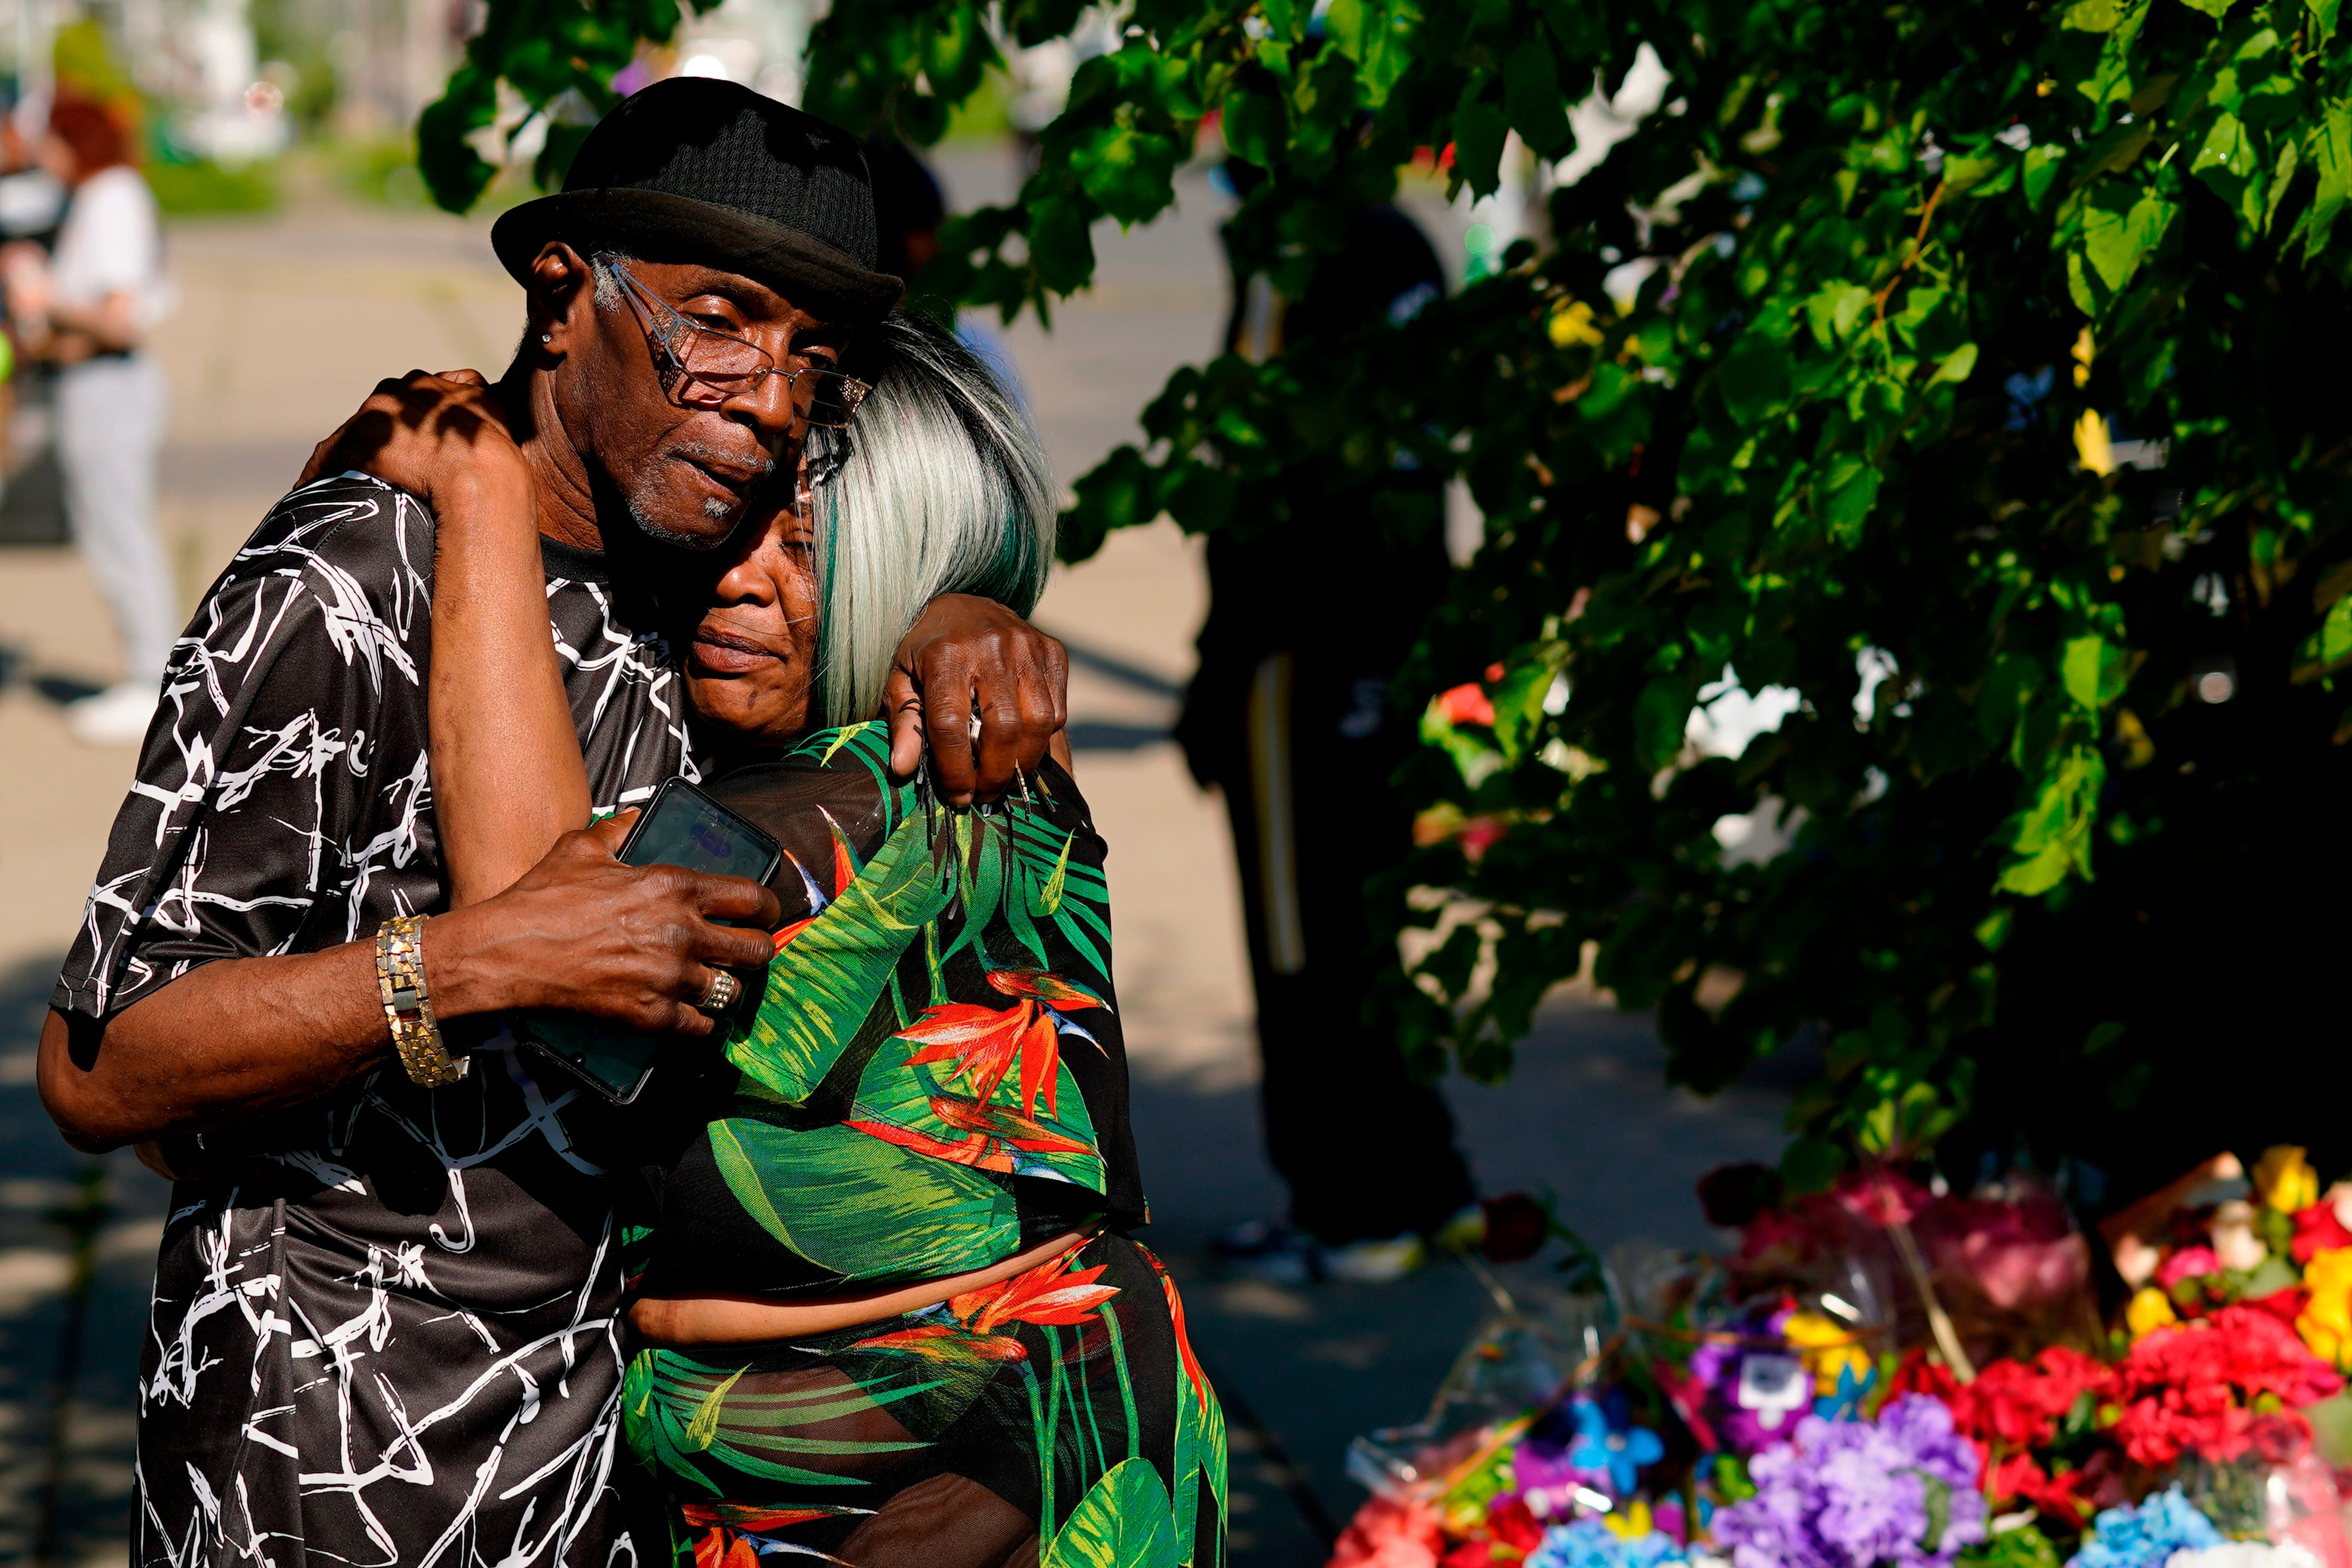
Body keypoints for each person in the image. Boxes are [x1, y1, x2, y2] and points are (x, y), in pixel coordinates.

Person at [38, 80, 1070, 1568]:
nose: (770, 401)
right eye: (719, 319)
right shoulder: (345, 586)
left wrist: (967, 607)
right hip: (318, 1465)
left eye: (810, 360)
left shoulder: (710, 584)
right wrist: (463, 963)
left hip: (600, 1473)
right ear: (562, 290)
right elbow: (100, 1065)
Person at [395, 309, 1223, 1566]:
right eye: (732, 531)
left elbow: (535, 925)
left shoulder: (847, 804)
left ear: (903, 563)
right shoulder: (970, 742)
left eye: (803, 548)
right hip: (970, 1448)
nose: (736, 581)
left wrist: (479, 494)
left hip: (965, 1475)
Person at [1183, 198, 1480, 1283]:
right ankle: (1421, 1173)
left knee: (1304, 935)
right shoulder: (1402, 240)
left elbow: (1248, 456)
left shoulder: (1299, 242)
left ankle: (1349, 1203)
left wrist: (1221, 659)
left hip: (1299, 648)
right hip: (1387, 638)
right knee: (1364, 921)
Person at [2, 94, 177, 743]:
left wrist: (46, 295)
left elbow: (118, 317)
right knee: (113, 534)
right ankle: (148, 674)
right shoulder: (100, 196)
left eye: (47, 141)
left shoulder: (111, 198)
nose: (40, 155)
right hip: (95, 387)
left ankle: (150, 680)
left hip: (110, 389)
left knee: (120, 536)